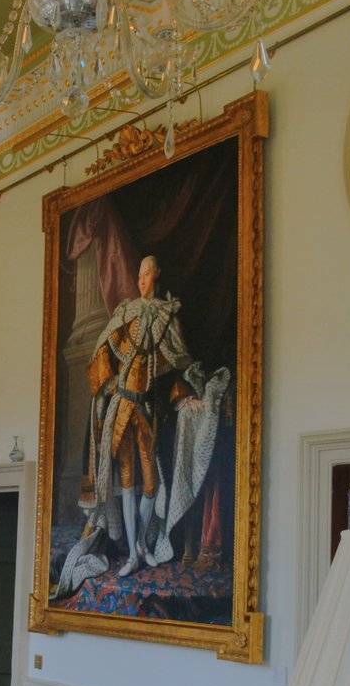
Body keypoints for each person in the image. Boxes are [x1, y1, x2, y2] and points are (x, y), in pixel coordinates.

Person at [57, 255, 231, 594]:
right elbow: (102, 352)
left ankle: (143, 547)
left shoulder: (168, 319)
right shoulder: (125, 314)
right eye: (138, 273)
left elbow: (178, 368)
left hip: (150, 410)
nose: (141, 279)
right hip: (122, 408)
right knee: (125, 478)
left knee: (151, 482)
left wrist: (184, 397)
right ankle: (134, 552)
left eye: (147, 272)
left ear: (157, 275)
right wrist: (107, 387)